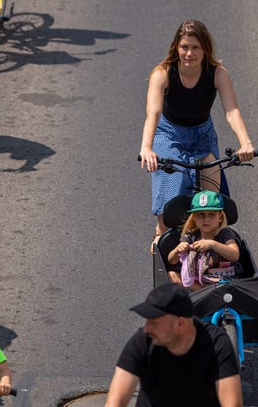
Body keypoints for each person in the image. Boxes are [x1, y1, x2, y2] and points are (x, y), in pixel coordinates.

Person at [139, 20, 254, 252]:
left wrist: (246, 143)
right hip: (169, 133)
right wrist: (147, 147)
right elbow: (153, 113)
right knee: (174, 181)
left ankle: (212, 245)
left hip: (202, 134)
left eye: (195, 48)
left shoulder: (217, 73)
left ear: (205, 50)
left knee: (213, 192)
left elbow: (231, 111)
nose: (189, 53)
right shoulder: (163, 73)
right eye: (184, 47)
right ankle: (161, 233)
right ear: (176, 48)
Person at [105, 283, 242, 407]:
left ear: (180, 324)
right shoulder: (143, 341)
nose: (146, 328)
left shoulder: (216, 343)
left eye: (154, 322)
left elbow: (232, 403)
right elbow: (115, 401)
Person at [167, 190, 241, 290]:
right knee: (172, 275)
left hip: (223, 284)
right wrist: (177, 250)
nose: (206, 219)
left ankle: (207, 296)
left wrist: (212, 244)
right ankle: (203, 295)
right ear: (194, 218)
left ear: (220, 217)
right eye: (201, 215)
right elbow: (171, 260)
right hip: (198, 285)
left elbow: (235, 255)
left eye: (211, 215)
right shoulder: (191, 235)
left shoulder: (224, 234)